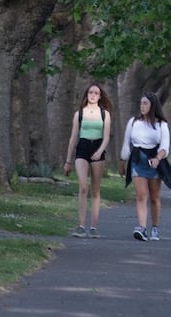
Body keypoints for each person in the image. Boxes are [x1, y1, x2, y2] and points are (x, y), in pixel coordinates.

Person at [119, 91, 171, 241]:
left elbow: (165, 147)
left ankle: (154, 227)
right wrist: (122, 161)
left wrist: (158, 158)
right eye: (141, 103)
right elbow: (126, 143)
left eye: (145, 103)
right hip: (137, 160)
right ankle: (141, 228)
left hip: (154, 162)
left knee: (154, 197)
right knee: (141, 196)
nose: (142, 106)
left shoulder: (161, 124)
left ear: (152, 105)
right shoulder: (134, 122)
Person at [63, 82, 112, 237]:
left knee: (95, 190)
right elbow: (72, 138)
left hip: (98, 148)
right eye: (90, 92)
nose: (93, 95)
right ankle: (81, 225)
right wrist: (68, 161)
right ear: (86, 94)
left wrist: (100, 151)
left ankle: (93, 227)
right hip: (82, 148)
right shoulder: (79, 114)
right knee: (83, 187)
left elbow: (106, 137)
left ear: (100, 96)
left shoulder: (105, 114)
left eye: (96, 93)